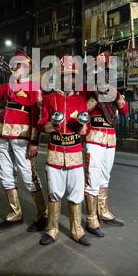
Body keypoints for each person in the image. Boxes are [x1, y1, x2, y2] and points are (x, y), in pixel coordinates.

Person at [0, 49, 47, 232]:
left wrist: (35, 141)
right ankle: (15, 213)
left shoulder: (34, 87)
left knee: (28, 176)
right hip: (4, 136)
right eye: (17, 64)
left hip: (23, 137)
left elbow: (38, 115)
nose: (19, 67)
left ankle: (43, 214)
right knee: (5, 174)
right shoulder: (10, 86)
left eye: (23, 64)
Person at [38, 55, 90, 246]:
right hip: (55, 152)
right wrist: (53, 125)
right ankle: (52, 229)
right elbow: (42, 124)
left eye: (72, 76)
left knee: (76, 192)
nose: (69, 80)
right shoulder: (50, 98)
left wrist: (84, 128)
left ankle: (77, 229)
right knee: (54, 192)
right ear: (59, 77)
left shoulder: (80, 99)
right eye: (65, 76)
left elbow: (87, 126)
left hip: (75, 152)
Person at [84, 51, 129, 234]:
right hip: (94, 136)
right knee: (92, 176)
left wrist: (115, 94)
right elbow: (81, 109)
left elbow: (125, 111)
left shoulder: (113, 88)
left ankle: (103, 211)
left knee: (105, 176)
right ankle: (91, 218)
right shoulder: (87, 86)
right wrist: (96, 97)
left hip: (110, 137)